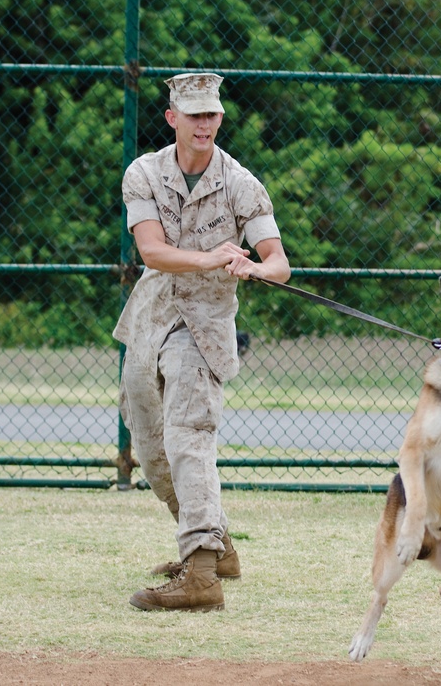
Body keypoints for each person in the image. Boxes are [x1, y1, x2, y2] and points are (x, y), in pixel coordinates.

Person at [114, 72, 291, 612]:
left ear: (219, 117)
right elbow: (153, 252)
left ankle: (201, 574)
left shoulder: (242, 183)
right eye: (193, 115)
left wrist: (254, 268)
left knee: (189, 437)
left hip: (204, 328)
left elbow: (280, 264)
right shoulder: (143, 173)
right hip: (151, 320)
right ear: (173, 119)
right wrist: (212, 257)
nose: (204, 123)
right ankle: (218, 546)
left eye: (211, 114)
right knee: (150, 446)